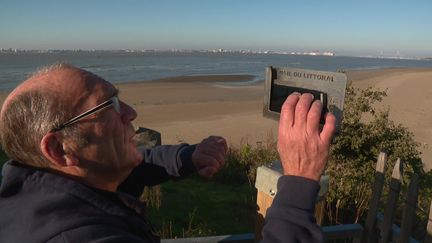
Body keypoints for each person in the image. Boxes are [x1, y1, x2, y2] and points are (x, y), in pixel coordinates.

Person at [0, 64, 335, 242]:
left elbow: (135, 166)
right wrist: (299, 181)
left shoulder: (36, 187)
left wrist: (187, 157)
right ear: (60, 149)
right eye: (109, 106)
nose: (130, 112)